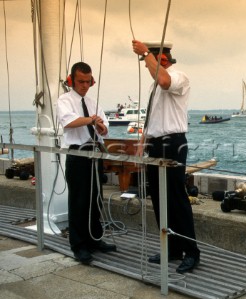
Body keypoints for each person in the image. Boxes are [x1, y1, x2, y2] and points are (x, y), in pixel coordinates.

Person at [132, 39, 200, 273]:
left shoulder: (178, 76)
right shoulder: (153, 87)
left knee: (176, 198)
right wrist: (143, 142)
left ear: (161, 58)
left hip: (173, 143)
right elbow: (152, 118)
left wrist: (144, 53)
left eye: (148, 60)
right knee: (160, 198)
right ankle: (171, 248)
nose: (146, 66)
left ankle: (191, 251)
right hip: (155, 143)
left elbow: (164, 81)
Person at [56, 62, 117, 264]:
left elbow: (104, 128)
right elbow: (68, 122)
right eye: (81, 81)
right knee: (79, 201)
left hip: (94, 153)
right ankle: (79, 244)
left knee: (96, 198)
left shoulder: (93, 102)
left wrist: (100, 126)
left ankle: (94, 238)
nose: (84, 85)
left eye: (88, 81)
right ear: (72, 80)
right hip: (78, 154)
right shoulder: (64, 100)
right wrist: (91, 120)